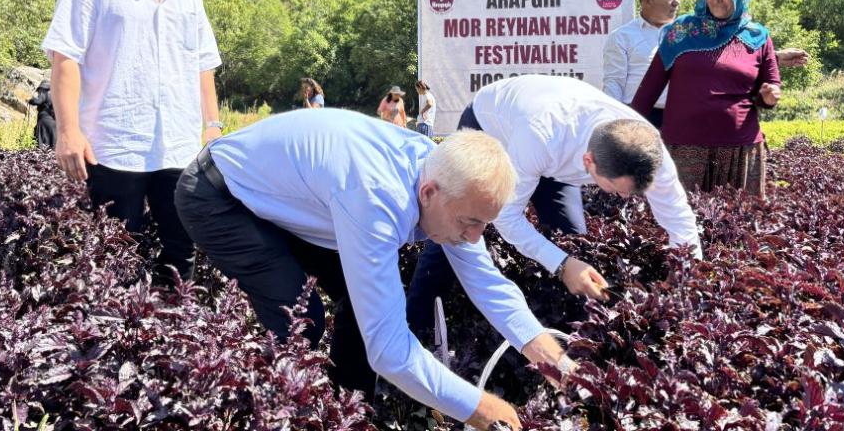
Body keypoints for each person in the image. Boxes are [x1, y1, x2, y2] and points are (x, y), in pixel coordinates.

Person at [174, 108, 575, 431]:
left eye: (483, 225)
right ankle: (272, 413)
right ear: (428, 193)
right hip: (219, 198)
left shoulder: (446, 177)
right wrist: (480, 408)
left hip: (291, 204)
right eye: (470, 223)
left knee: (361, 302)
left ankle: (348, 413)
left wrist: (550, 356)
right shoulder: (377, 199)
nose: (474, 238)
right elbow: (389, 351)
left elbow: (486, 282)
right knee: (301, 319)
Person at [406, 75, 702, 339]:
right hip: (492, 127)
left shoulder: (647, 149)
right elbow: (507, 218)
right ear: (588, 163)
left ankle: (580, 335)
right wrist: (562, 266)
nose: (626, 199)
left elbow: (679, 218)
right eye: (617, 190)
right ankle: (414, 328)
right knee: (458, 231)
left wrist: (685, 279)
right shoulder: (541, 137)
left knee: (575, 241)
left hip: (552, 153)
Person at [41, 0, 222, 285]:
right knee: (113, 259)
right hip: (113, 146)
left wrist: (213, 129)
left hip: (178, 148)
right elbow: (65, 58)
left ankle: (178, 340)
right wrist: (68, 131)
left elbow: (203, 65)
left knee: (181, 256)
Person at [632, 0, 779, 199]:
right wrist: (624, 139)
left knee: (737, 227)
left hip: (739, 150)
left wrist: (769, 97)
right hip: (684, 149)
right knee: (682, 227)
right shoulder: (682, 32)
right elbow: (647, 92)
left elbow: (770, 89)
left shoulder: (757, 36)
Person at [603, 0, 811, 129]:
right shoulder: (622, 37)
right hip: (642, 118)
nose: (677, 3)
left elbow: (719, 59)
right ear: (648, 1)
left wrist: (773, 58)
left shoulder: (688, 31)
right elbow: (614, 84)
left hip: (683, 118)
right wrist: (616, 125)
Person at [28, 80, 56, 148]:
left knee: (41, 145)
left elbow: (38, 101)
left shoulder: (44, 92)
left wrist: (31, 100)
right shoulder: (55, 95)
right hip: (54, 123)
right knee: (52, 145)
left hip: (44, 123)